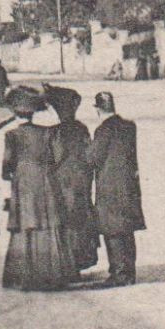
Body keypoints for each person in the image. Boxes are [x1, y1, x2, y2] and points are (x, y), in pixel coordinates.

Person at [0, 86, 75, 291]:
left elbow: (7, 166)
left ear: (16, 113)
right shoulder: (48, 133)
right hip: (46, 184)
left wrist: (12, 174)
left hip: (24, 186)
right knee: (47, 225)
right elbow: (59, 157)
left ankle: (24, 276)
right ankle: (51, 275)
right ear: (33, 113)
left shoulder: (11, 135)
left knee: (26, 226)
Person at [90, 91, 146, 286]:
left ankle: (119, 274)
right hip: (129, 185)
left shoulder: (102, 131)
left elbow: (93, 159)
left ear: (98, 109)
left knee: (112, 230)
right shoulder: (129, 127)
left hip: (110, 187)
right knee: (127, 230)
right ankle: (128, 272)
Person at [45, 85, 99, 280]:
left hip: (62, 183)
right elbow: (89, 155)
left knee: (65, 222)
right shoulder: (82, 129)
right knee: (80, 221)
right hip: (81, 182)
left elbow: (49, 160)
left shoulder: (53, 133)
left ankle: (67, 266)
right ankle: (78, 263)